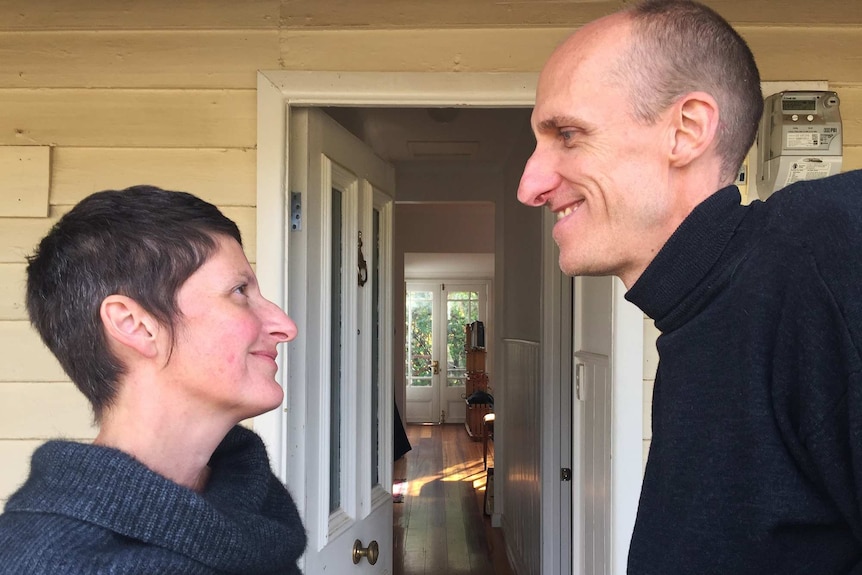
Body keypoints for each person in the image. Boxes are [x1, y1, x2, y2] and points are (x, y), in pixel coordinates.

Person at [518, 0, 862, 573]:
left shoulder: (823, 250)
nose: (531, 185)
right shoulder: (697, 320)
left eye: (569, 134)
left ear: (687, 130)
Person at [0, 186, 307, 574]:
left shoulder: (254, 507)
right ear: (135, 326)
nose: (285, 326)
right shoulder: (33, 562)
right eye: (240, 291)